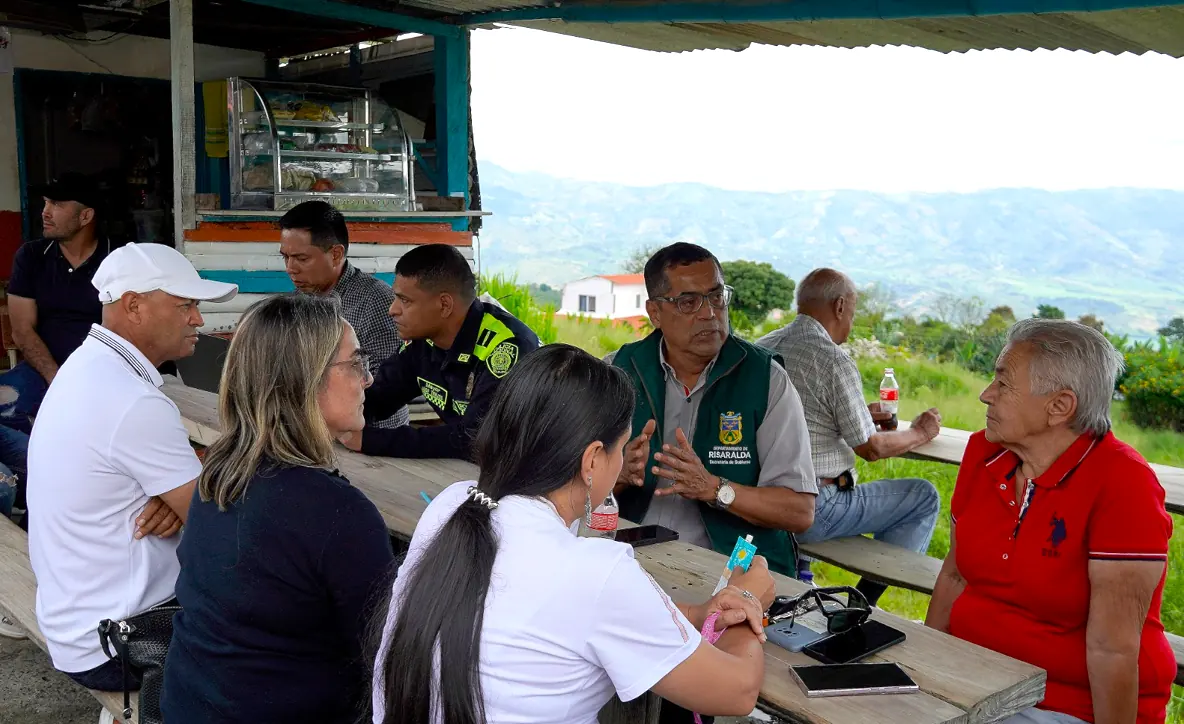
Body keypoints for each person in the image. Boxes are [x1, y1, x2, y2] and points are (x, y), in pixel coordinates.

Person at [372, 344, 774, 724]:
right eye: (621, 448)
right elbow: (735, 693)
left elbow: (579, 611)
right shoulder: (592, 571)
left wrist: (698, 613)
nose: (622, 462)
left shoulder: (455, 504)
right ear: (592, 460)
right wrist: (748, 598)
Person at [926, 319, 1175, 724]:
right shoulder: (983, 452)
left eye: (1003, 384)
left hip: (1059, 705)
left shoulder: (1122, 483)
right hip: (974, 681)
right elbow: (955, 575)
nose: (985, 395)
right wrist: (926, 674)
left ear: (1059, 406)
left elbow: (1113, 648)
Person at [162, 293, 395, 723]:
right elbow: (385, 654)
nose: (367, 380)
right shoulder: (337, 513)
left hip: (192, 701)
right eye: (355, 363)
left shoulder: (221, 472)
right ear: (304, 380)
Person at [27, 242, 237, 690]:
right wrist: (188, 502)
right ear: (134, 306)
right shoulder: (131, 400)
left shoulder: (89, 365)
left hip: (79, 622)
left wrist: (179, 494)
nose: (198, 319)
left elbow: (191, 500)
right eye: (186, 305)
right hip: (120, 639)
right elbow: (219, 530)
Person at [608, 243, 816, 579]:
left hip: (731, 573)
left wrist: (717, 489)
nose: (709, 313)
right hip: (632, 562)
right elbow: (573, 490)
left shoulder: (766, 380)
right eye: (688, 302)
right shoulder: (619, 371)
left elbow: (800, 511)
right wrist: (616, 476)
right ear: (655, 313)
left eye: (716, 297)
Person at [756, 268, 941, 605]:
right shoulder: (831, 359)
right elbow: (871, 448)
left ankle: (814, 580)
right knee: (923, 495)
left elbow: (801, 414)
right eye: (853, 312)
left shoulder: (762, 347)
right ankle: (862, 602)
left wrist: (856, 414)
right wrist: (921, 431)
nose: (851, 322)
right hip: (815, 508)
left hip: (761, 502)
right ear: (840, 306)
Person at [340, 243, 540, 460]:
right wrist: (333, 417)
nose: (392, 310)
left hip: (537, 478)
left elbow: (475, 437)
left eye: (405, 300)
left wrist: (370, 440)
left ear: (444, 305)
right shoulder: (423, 343)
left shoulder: (506, 347)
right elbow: (379, 397)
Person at [3, 174, 123, 431]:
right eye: (46, 203)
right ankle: (29, 471)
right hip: (44, 370)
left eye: (56, 204)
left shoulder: (120, 259)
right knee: (5, 411)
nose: (45, 212)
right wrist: (56, 379)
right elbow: (22, 330)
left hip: (105, 373)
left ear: (86, 216)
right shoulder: (32, 256)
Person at [279, 200, 408, 428]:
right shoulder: (299, 299)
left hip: (374, 439)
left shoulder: (377, 301)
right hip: (317, 433)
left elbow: (387, 385)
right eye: (285, 257)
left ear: (336, 254)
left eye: (301, 258)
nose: (290, 268)